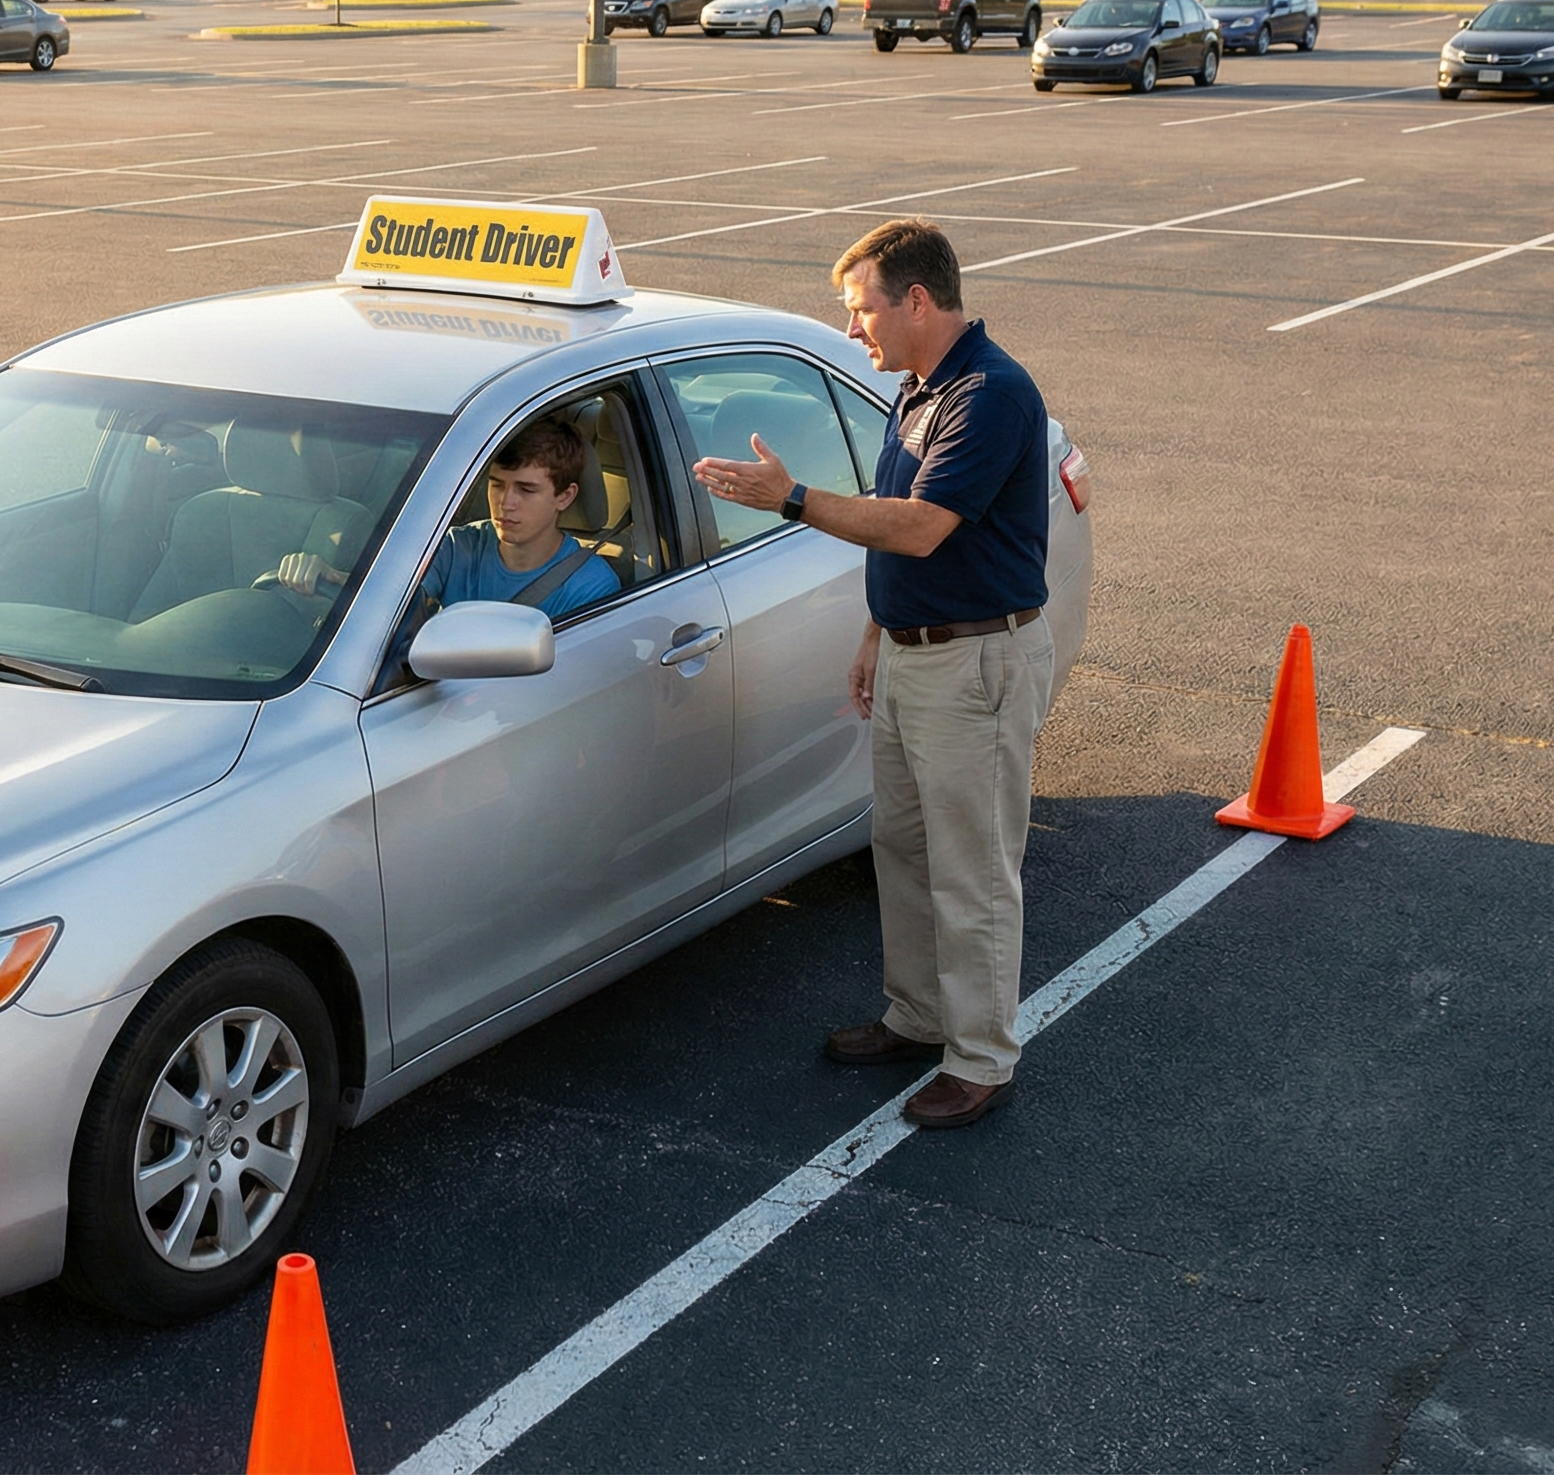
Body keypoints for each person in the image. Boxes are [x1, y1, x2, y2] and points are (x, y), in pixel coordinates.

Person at [692, 218, 1054, 1131]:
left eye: (862, 311)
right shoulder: (919, 388)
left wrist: (792, 500)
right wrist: (876, 631)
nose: (855, 331)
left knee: (972, 870)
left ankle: (980, 1059)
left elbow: (921, 527)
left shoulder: (990, 395)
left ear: (918, 300)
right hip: (913, 648)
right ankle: (922, 1015)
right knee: (902, 846)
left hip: (976, 663)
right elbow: (906, 535)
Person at [279, 420, 621, 621]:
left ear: (564, 497)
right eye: (497, 484)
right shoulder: (458, 545)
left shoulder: (590, 587)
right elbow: (391, 599)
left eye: (526, 490)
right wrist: (331, 579)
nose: (506, 503)